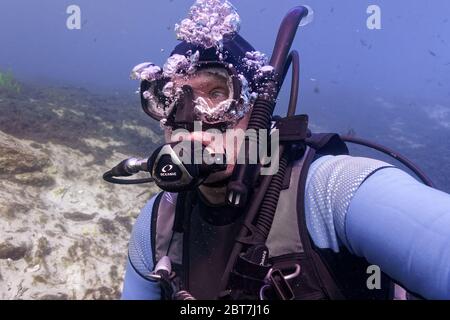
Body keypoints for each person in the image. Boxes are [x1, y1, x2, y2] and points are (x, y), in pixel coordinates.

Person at [120, 0, 450, 300]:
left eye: (217, 95)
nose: (190, 120)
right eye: (169, 100)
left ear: (258, 108)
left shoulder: (330, 191)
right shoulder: (158, 223)